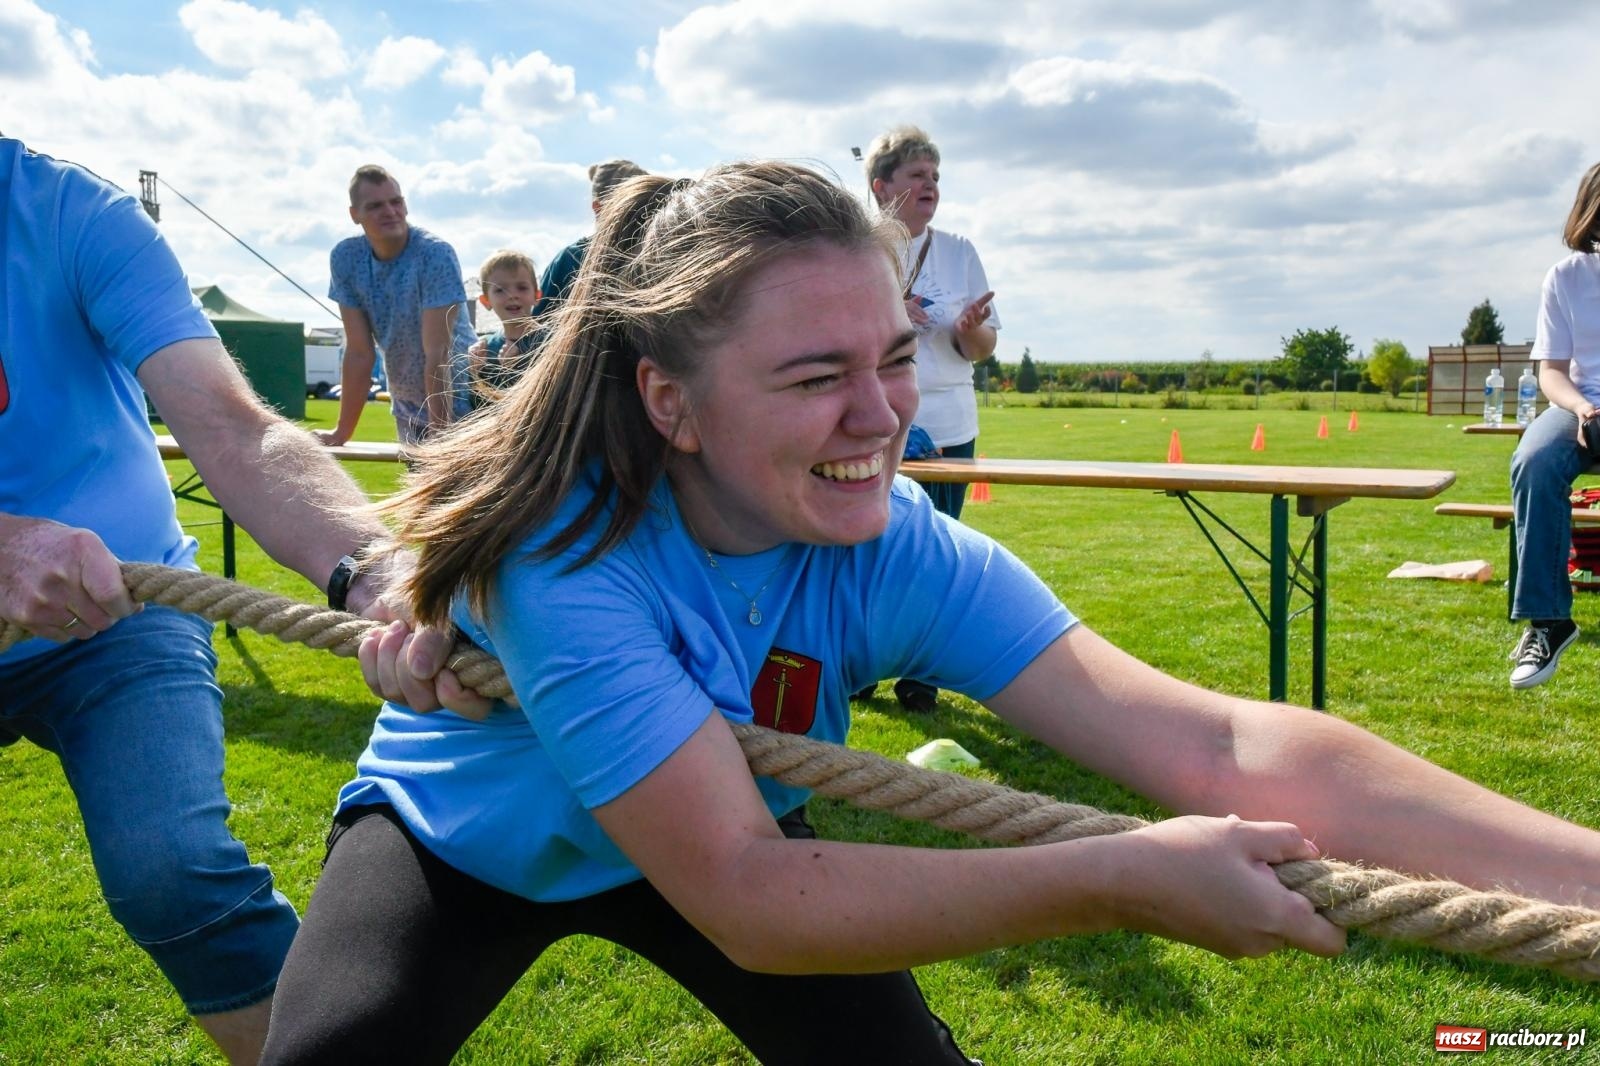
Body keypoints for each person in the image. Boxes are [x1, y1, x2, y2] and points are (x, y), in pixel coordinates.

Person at [262, 163, 1600, 1065]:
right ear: (670, 402)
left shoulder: (891, 545)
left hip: (724, 818)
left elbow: (1224, 750)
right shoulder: (571, 552)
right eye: (815, 375)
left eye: (896, 356)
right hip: (468, 840)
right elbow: (748, 895)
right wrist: (1116, 876)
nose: (883, 415)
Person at [0, 137, 481, 1064]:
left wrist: (373, 569)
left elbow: (232, 426)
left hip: (119, 612)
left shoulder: (70, 214)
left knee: (171, 872)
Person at [862, 125, 998, 712]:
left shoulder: (961, 251)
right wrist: (893, 308)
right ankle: (858, 665)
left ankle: (923, 677)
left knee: (942, 554)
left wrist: (971, 333)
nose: (931, 187)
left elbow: (986, 346)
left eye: (936, 177)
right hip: (875, 418)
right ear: (880, 185)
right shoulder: (858, 250)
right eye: (918, 176)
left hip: (950, 422)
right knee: (869, 549)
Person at [1507, 160, 1600, 688]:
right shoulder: (1567, 278)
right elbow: (1552, 371)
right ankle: (1549, 621)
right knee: (1535, 460)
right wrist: (1584, 410)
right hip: (1580, 403)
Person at [319, 165, 480, 447]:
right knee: (418, 490)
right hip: (406, 406)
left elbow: (438, 355)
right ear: (354, 214)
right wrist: (341, 433)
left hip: (463, 403)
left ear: (405, 205)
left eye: (396, 201)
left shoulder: (434, 254)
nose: (390, 211)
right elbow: (358, 352)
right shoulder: (346, 258)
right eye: (375, 206)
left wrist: (440, 437)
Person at [531, 158, 646, 320]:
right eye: (629, 209)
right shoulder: (571, 259)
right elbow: (536, 327)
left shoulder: (653, 257)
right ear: (598, 208)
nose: (640, 218)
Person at [463, 249, 543, 406]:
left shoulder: (550, 342)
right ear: (486, 301)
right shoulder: (486, 348)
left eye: (521, 287)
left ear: (537, 296)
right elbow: (480, 410)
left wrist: (516, 370)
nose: (512, 295)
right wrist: (476, 373)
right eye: (500, 290)